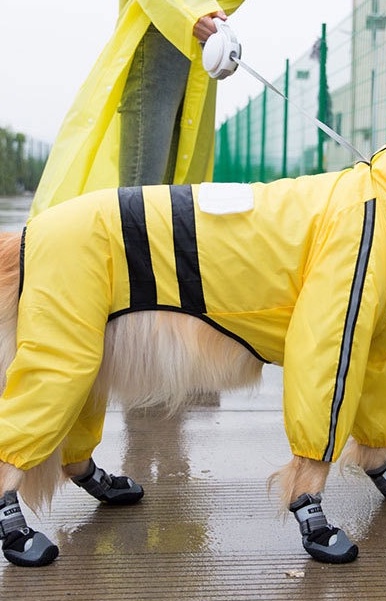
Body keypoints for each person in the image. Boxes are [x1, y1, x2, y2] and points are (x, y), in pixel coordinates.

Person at [0, 1, 245, 568]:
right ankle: (7, 482)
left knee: (118, 316)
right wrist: (196, 15)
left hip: (192, 54)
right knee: (80, 318)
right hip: (164, 47)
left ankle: (76, 460)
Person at [31, 0, 245, 216]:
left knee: (169, 201)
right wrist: (196, 12)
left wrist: (204, 13)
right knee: (142, 196)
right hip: (159, 32)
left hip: (195, 43)